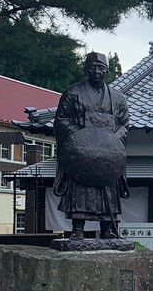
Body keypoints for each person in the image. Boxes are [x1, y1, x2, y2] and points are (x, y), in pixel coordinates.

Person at [53, 52, 130, 240]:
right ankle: (77, 229)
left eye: (101, 68)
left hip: (108, 154)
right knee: (80, 190)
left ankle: (107, 229)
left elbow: (124, 124)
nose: (97, 71)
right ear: (86, 69)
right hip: (81, 153)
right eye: (93, 67)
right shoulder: (73, 93)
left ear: (107, 70)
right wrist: (80, 137)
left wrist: (114, 139)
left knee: (108, 190)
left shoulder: (118, 98)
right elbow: (61, 119)